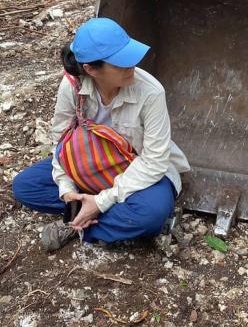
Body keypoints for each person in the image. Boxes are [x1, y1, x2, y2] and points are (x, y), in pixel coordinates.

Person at [12, 17, 190, 251]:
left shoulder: (151, 92)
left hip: (137, 168)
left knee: (151, 214)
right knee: (26, 186)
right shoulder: (72, 86)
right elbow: (61, 141)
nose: (131, 67)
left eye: (130, 58)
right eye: (120, 63)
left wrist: (100, 201)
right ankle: (92, 215)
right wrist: (67, 192)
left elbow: (155, 161)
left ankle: (75, 223)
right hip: (88, 164)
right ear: (90, 69)